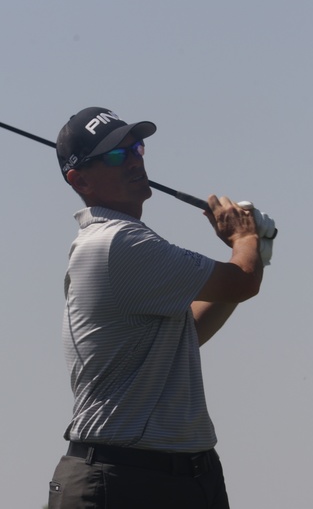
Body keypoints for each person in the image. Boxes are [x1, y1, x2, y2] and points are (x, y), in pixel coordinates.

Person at [48, 107, 264, 509]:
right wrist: (245, 238)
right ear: (80, 180)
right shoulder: (116, 242)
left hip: (184, 475)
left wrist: (253, 248)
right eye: (116, 155)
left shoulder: (130, 243)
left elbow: (188, 332)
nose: (133, 160)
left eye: (136, 149)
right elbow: (243, 280)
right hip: (120, 478)